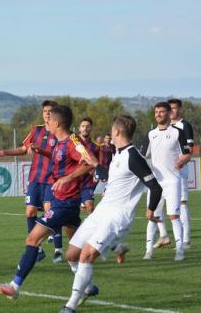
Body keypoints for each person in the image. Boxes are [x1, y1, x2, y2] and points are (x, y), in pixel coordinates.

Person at [59, 115, 163, 313]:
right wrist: (96, 164)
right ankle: (89, 286)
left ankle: (70, 306)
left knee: (86, 256)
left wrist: (150, 212)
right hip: (101, 211)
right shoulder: (118, 154)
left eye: (111, 130)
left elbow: (155, 187)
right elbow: (112, 179)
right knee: (72, 255)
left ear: (116, 132)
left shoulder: (134, 156)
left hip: (117, 217)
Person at [0, 105, 92, 300]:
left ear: (58, 123)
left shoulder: (72, 141)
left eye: (51, 119)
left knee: (32, 239)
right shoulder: (60, 142)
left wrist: (67, 179)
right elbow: (58, 158)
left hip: (65, 202)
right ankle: (88, 285)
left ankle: (14, 286)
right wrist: (42, 152)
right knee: (75, 249)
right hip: (64, 200)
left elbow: (89, 161)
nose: (48, 123)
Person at [0, 100, 58, 263]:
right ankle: (38, 249)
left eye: (50, 111)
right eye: (45, 111)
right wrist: (4, 153)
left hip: (52, 179)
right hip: (35, 178)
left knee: (50, 212)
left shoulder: (60, 132)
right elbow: (23, 149)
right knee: (30, 212)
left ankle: (58, 247)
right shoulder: (36, 130)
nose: (47, 114)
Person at [140, 102, 191, 261]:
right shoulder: (150, 134)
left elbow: (187, 153)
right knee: (152, 217)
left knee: (174, 216)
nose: (159, 114)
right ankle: (148, 251)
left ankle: (180, 251)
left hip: (172, 181)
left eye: (162, 111)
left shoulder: (177, 132)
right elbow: (142, 157)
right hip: (155, 184)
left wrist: (184, 160)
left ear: (169, 114)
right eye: (156, 112)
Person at [168, 98, 194, 249]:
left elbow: (189, 150)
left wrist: (180, 162)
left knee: (182, 203)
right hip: (166, 171)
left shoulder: (185, 125)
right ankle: (164, 236)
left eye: (174, 108)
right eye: (169, 108)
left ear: (179, 109)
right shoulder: (166, 127)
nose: (172, 111)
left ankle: (186, 241)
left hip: (180, 169)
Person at [78, 117, 100, 213]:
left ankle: (92, 228)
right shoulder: (73, 144)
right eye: (83, 126)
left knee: (90, 207)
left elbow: (98, 163)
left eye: (87, 126)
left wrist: (95, 171)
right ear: (79, 128)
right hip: (73, 183)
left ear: (91, 128)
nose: (85, 128)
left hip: (87, 183)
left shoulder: (95, 147)